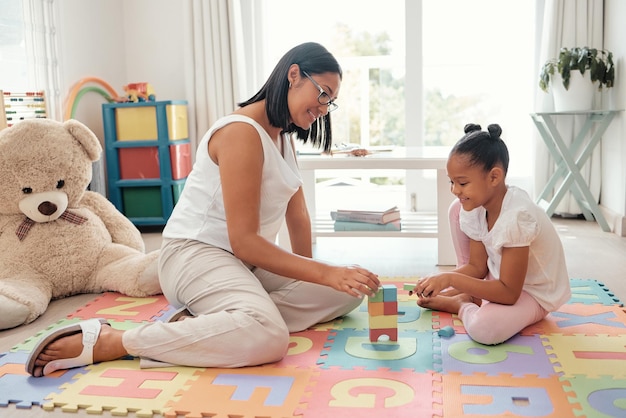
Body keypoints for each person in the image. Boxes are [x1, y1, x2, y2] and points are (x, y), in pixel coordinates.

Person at [27, 42, 380, 377]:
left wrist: (315, 275)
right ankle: (117, 340)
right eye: (323, 94)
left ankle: (212, 325)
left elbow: (297, 215)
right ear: (293, 76)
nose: (323, 108)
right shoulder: (242, 132)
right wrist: (321, 273)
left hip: (245, 264)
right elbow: (242, 241)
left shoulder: (282, 136)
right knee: (270, 338)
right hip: (195, 256)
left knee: (345, 293)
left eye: (330, 101)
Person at [413, 123, 571, 345]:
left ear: (494, 177)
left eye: (462, 183)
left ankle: (462, 304)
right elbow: (478, 268)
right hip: (499, 280)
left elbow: (509, 293)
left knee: (483, 329)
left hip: (532, 293)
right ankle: (473, 295)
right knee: (456, 209)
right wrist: (439, 282)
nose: (454, 190)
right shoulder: (478, 206)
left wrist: (450, 280)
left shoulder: (517, 217)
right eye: (452, 182)